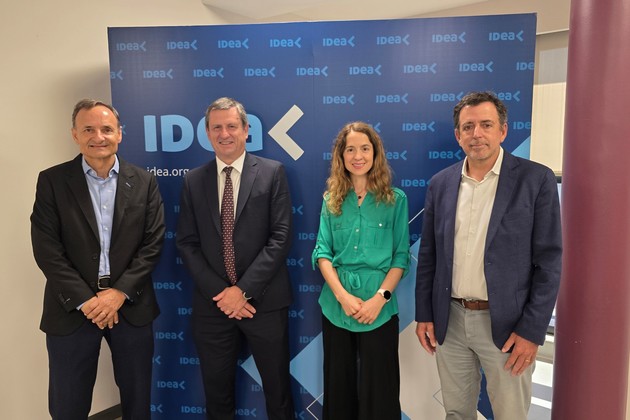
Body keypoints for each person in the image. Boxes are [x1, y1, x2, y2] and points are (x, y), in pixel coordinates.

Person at [414, 91, 562, 419]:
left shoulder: (535, 180)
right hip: (450, 320)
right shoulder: (440, 184)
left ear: (503, 130)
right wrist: (425, 314)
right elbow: (429, 256)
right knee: (456, 413)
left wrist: (532, 330)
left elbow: (549, 262)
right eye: (468, 127)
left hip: (509, 326)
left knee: (510, 414)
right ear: (458, 135)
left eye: (486, 125)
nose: (476, 134)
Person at [30, 99, 165, 419]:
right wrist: (87, 300)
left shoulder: (144, 181)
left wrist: (119, 293)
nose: (98, 137)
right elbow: (47, 248)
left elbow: (152, 243)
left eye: (106, 129)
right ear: (75, 134)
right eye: (88, 129)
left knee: (138, 403)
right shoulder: (52, 181)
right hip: (72, 308)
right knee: (68, 404)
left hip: (130, 306)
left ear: (120, 133)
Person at [176, 97, 294, 420]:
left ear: (246, 129)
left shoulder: (272, 173)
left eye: (231, 126)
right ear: (207, 133)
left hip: (264, 303)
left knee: (278, 392)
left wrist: (242, 291)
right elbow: (186, 243)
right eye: (217, 127)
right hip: (213, 306)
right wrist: (223, 293)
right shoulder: (193, 180)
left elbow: (281, 237)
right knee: (217, 396)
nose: (224, 134)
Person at [312, 122, 410, 420]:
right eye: (350, 149)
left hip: (379, 308)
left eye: (365, 149)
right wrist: (342, 297)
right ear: (341, 156)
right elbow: (322, 253)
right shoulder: (331, 200)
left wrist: (379, 299)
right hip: (336, 307)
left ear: (375, 153)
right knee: (338, 388)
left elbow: (400, 257)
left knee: (381, 391)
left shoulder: (395, 200)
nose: (358, 156)